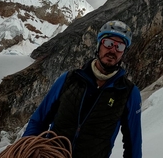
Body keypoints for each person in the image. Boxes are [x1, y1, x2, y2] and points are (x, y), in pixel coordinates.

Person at [23, 20, 142, 158]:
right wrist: (26, 150)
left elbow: (133, 143)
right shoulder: (68, 79)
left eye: (120, 46)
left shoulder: (128, 93)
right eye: (108, 43)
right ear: (99, 45)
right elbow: (39, 120)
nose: (113, 50)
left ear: (123, 52)